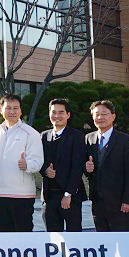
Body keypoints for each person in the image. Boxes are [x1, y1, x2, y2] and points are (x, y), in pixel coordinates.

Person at [0, 94, 42, 232]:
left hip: (22, 195)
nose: (12, 111)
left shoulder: (31, 133)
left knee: (23, 236)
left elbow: (38, 161)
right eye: (8, 108)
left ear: (21, 111)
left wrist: (27, 165)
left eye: (15, 108)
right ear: (1, 110)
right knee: (5, 236)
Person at [83, 100, 129, 232]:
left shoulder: (125, 140)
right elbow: (87, 168)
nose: (100, 117)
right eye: (97, 114)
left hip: (120, 203)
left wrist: (128, 200)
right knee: (103, 244)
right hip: (98, 202)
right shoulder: (88, 138)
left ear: (113, 116)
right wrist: (87, 169)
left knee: (122, 242)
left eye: (104, 114)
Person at [39, 99, 86, 232]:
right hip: (49, 196)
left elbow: (77, 167)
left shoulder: (77, 136)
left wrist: (68, 194)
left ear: (68, 115)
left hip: (70, 196)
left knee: (74, 235)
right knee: (52, 236)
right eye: (54, 112)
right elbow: (39, 161)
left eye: (61, 112)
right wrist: (45, 171)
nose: (57, 116)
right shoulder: (43, 136)